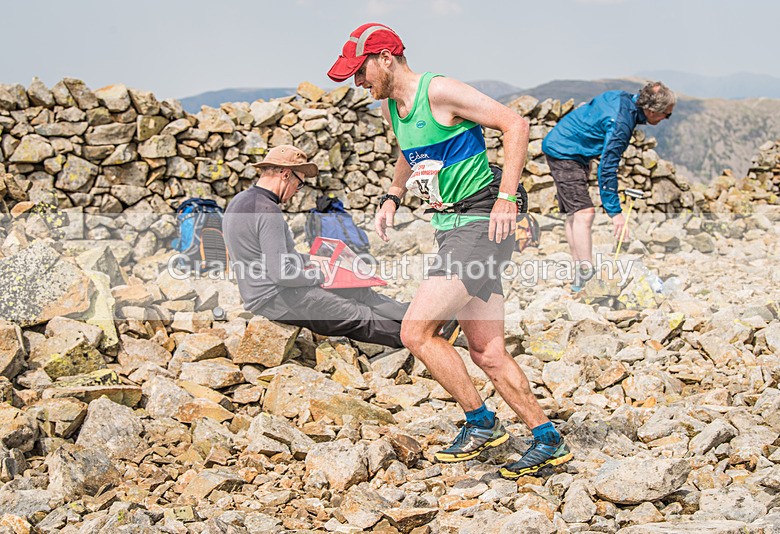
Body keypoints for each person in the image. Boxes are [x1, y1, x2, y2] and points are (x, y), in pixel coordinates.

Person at [327, 22, 571, 479]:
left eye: (360, 72)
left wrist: (507, 198)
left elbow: (515, 124)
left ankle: (480, 422)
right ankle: (547, 439)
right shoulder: (392, 108)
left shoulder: (438, 91)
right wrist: (393, 196)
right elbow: (411, 152)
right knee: (487, 353)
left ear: (386, 59)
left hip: (478, 225)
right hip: (450, 228)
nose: (357, 82)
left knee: (415, 332)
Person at [223, 144, 410, 348]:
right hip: (275, 298)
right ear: (286, 174)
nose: (297, 191)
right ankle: (419, 339)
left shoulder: (239, 201)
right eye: (299, 183)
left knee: (360, 291)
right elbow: (281, 274)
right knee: (357, 315)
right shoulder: (268, 211)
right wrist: (320, 276)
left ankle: (420, 318)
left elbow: (270, 257)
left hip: (266, 292)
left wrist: (314, 260)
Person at [542, 81, 676, 291]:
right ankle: (586, 276)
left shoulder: (623, 98)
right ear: (651, 110)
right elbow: (607, 167)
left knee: (574, 213)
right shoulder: (621, 122)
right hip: (565, 152)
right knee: (584, 213)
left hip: (568, 147)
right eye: (666, 115)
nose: (666, 119)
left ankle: (580, 272)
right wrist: (615, 213)